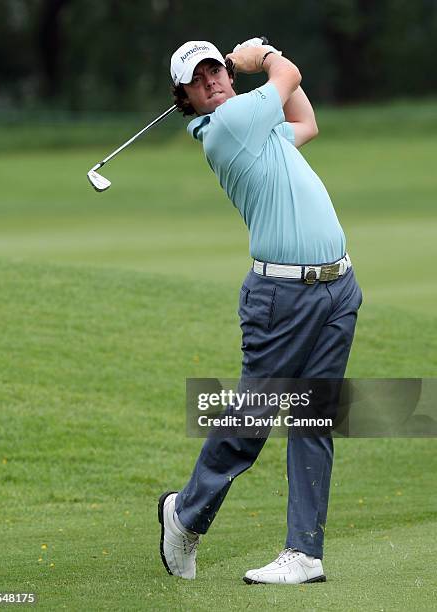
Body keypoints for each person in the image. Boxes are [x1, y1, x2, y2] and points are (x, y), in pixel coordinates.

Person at [158, 39, 362, 585]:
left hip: (337, 288)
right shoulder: (227, 127)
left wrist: (267, 72)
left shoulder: (253, 123)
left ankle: (304, 554)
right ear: (186, 98)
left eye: (217, 70)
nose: (213, 81)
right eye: (198, 79)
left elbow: (307, 121)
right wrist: (263, 54)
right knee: (251, 421)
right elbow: (289, 73)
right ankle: (185, 516)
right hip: (283, 301)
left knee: (313, 420)